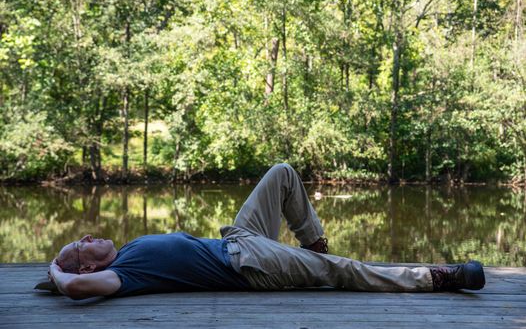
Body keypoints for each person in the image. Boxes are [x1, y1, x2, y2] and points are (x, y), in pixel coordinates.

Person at [48, 163, 486, 300]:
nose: (87, 236)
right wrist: (56, 271)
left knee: (281, 174)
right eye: (79, 245)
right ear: (85, 262)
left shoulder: (127, 251)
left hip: (237, 239)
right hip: (248, 263)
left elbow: (78, 276)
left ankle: (314, 249)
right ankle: (439, 277)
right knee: (343, 271)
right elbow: (78, 289)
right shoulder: (123, 275)